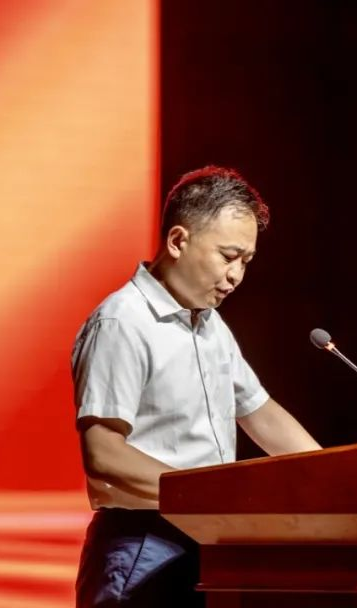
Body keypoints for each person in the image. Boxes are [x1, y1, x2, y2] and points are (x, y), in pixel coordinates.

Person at [71, 165, 322, 607]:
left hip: (207, 540)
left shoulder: (210, 325)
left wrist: (331, 477)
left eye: (246, 261)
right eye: (228, 256)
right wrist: (208, 495)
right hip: (144, 543)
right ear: (177, 241)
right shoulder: (123, 321)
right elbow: (103, 453)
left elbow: (260, 413)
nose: (237, 275)